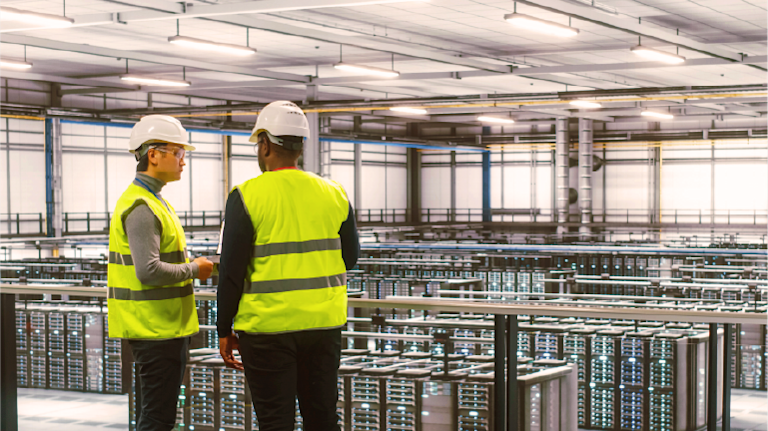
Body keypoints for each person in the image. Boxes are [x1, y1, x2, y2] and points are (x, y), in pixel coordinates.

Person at [217, 101, 360, 431]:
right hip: (324, 327)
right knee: (323, 418)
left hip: (267, 331)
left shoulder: (247, 196)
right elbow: (350, 258)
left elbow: (231, 273)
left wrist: (224, 328)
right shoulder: (335, 193)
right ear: (301, 145)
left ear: (265, 144)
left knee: (275, 422)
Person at [107, 115, 214, 431]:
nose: (184, 161)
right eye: (179, 152)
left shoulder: (155, 201)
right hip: (154, 329)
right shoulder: (141, 206)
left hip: (161, 327)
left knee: (156, 415)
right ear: (153, 154)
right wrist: (196, 269)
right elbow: (149, 271)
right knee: (157, 419)